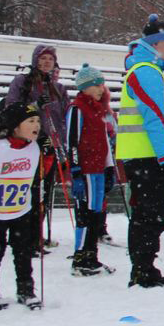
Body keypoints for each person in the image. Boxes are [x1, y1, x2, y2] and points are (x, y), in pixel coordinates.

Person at [115, 14, 164, 287]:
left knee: (151, 215)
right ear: (154, 45)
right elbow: (154, 116)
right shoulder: (146, 72)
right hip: (148, 157)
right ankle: (143, 270)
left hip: (147, 156)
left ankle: (144, 267)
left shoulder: (148, 70)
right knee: (151, 216)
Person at [0, 101, 45, 308]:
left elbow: (43, 170)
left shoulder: (35, 147)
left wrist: (49, 151)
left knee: (23, 250)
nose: (36, 125)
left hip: (21, 209)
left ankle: (26, 289)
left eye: (38, 121)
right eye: (30, 121)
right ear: (15, 127)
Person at [4, 44, 72, 227]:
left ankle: (36, 233)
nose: (47, 62)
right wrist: (35, 105)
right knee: (29, 190)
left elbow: (66, 114)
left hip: (51, 144)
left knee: (45, 192)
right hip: (27, 145)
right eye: (43, 58)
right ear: (35, 60)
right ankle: (23, 232)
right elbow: (11, 108)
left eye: (50, 59)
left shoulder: (58, 88)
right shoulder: (22, 82)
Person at [65, 64, 115, 276]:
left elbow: (105, 140)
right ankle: (81, 257)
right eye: (96, 85)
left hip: (98, 169)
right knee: (86, 212)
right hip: (85, 169)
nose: (100, 89)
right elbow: (72, 142)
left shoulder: (100, 110)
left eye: (101, 84)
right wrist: (75, 171)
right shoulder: (77, 108)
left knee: (96, 212)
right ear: (85, 87)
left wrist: (109, 167)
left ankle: (91, 255)